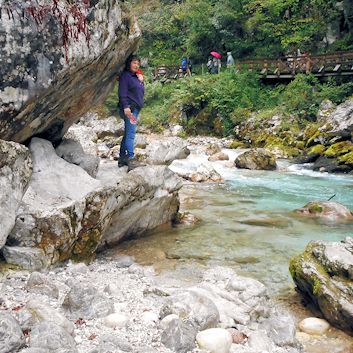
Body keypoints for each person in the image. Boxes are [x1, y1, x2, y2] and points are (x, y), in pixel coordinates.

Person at [118, 55, 145, 170]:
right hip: (130, 109)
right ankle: (131, 159)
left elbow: (140, 91)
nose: (136, 65)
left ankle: (122, 158)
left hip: (135, 108)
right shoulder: (126, 76)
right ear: (129, 63)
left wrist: (141, 81)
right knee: (131, 134)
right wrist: (126, 107)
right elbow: (122, 92)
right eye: (134, 63)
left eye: (138, 64)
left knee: (128, 133)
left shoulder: (136, 77)